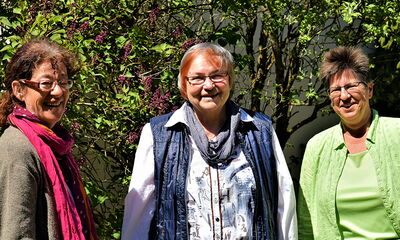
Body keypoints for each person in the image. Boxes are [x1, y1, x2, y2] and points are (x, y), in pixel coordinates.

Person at [122, 42, 297, 239]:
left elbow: (283, 203)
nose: (208, 85)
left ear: (230, 81)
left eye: (217, 76)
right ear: (183, 86)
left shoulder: (259, 130)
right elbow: (139, 211)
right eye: (197, 78)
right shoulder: (159, 134)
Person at [298, 46, 400, 239]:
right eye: (336, 90)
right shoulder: (317, 147)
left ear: (369, 89)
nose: (344, 96)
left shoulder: (397, 134)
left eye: (351, 86)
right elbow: (306, 221)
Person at [0, 39, 98, 239]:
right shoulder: (18, 147)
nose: (58, 91)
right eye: (46, 83)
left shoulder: (56, 144)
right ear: (19, 89)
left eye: (63, 82)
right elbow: (17, 233)